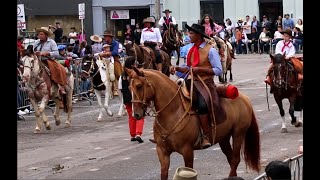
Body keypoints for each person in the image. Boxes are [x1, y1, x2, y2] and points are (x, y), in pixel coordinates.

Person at [170, 23, 223, 149]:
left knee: (202, 105)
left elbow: (218, 70)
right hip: (191, 80)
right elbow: (189, 68)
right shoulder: (190, 49)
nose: (189, 35)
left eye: (191, 33)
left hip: (206, 82)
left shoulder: (211, 50)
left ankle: (205, 135)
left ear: (199, 35)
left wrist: (201, 70)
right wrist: (177, 68)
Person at [33, 27, 67, 95]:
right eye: (39, 34)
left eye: (41, 34)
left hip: (48, 60)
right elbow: (33, 51)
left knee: (56, 69)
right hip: (37, 60)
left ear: (46, 35)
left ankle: (60, 86)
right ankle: (31, 89)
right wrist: (35, 53)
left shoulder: (51, 42)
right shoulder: (36, 42)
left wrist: (47, 53)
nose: (39, 36)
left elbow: (56, 53)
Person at [118, 56, 145, 143]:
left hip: (126, 98)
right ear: (133, 65)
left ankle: (132, 134)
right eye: (135, 63)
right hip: (136, 98)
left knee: (131, 116)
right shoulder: (136, 74)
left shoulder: (122, 75)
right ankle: (138, 133)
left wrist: (123, 100)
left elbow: (120, 88)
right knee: (140, 115)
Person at [101, 30, 121, 96]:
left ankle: (116, 88)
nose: (105, 38)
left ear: (110, 37)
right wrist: (102, 54)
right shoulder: (104, 44)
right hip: (104, 59)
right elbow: (102, 51)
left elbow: (115, 52)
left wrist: (108, 53)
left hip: (114, 59)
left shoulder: (116, 43)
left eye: (106, 37)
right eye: (104, 37)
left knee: (117, 72)